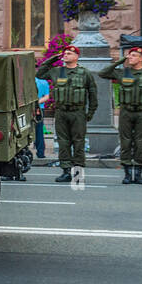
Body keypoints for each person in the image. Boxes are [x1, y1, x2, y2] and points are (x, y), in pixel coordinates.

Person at [35, 44, 97, 183]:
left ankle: (78, 173)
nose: (66, 55)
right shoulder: (57, 71)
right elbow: (39, 73)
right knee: (63, 143)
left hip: (78, 112)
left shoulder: (84, 73)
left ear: (76, 56)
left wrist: (90, 113)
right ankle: (66, 171)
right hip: (61, 112)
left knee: (78, 143)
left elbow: (93, 94)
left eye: (69, 53)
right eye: (65, 53)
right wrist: (52, 59)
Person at [99, 46, 142, 185]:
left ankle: (138, 173)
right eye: (129, 55)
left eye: (133, 55)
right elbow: (103, 73)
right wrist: (120, 61)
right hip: (126, 111)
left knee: (140, 143)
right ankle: (127, 173)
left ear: (141, 58)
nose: (130, 57)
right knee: (125, 142)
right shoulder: (122, 72)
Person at [33, 75, 50, 160]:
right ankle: (40, 153)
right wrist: (37, 103)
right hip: (40, 109)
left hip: (27, 108)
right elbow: (47, 97)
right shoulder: (44, 82)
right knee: (39, 131)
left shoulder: (26, 81)